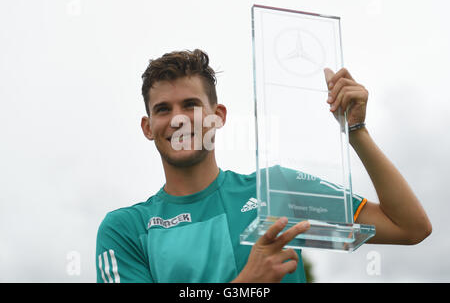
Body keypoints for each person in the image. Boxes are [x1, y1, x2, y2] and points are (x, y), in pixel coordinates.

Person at [95, 49, 432, 283]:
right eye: (163, 109)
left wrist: (356, 131)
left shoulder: (276, 189)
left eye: (191, 104)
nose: (179, 119)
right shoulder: (124, 229)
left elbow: (410, 227)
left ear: (219, 116)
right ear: (147, 126)